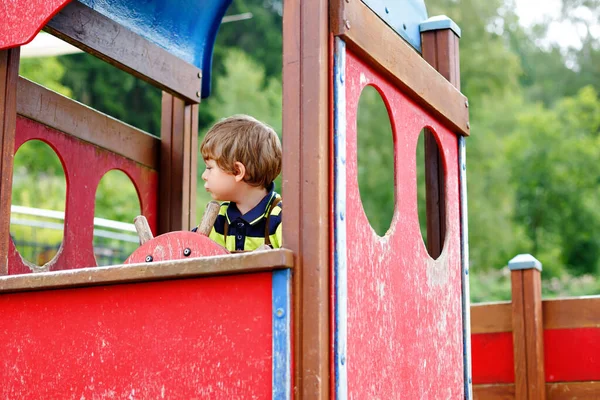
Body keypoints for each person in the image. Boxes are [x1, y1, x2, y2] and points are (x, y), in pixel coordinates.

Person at [194, 114, 282, 252]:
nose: (204, 176)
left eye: (210, 168)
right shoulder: (218, 219)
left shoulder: (280, 217)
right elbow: (188, 251)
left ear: (237, 171)